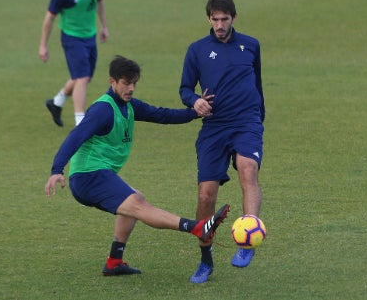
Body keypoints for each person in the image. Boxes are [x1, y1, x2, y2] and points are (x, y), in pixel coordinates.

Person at [44, 55, 230, 276]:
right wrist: (57, 170)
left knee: (133, 202)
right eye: (126, 83)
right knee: (139, 205)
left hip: (98, 174)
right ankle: (197, 228)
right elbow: (75, 137)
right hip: (88, 176)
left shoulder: (130, 105)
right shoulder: (103, 110)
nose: (131, 88)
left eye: (134, 83)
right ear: (112, 81)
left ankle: (114, 262)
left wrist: (194, 112)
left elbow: (161, 115)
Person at [179, 0, 265, 283]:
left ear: (234, 18)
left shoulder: (251, 46)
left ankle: (247, 241)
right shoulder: (197, 50)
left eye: (224, 19)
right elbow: (184, 89)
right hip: (214, 127)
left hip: (246, 123)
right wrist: (194, 102)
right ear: (208, 19)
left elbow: (258, 85)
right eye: (214, 19)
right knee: (206, 195)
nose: (219, 24)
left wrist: (258, 120)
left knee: (248, 169)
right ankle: (205, 260)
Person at [39, 0, 109, 126]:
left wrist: (104, 26)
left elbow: (99, 3)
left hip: (90, 36)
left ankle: (56, 102)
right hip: (72, 38)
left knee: (82, 78)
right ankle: (81, 123)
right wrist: (43, 45)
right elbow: (49, 19)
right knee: (83, 78)